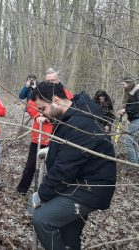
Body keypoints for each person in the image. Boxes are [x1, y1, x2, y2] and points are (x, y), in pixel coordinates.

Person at [30, 81, 116, 250]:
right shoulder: (71, 114)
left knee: (42, 219)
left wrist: (41, 195)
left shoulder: (80, 123)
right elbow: (71, 152)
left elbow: (64, 169)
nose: (43, 114)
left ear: (55, 99)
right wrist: (51, 151)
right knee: (68, 234)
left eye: (42, 108)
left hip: (88, 188)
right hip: (77, 182)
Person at [17, 82, 73, 194]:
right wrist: (38, 115)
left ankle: (46, 191)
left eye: (53, 79)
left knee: (51, 166)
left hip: (52, 137)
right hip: (37, 135)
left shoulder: (63, 95)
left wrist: (47, 118)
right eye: (49, 79)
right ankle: (22, 189)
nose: (51, 80)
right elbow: (31, 105)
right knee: (31, 164)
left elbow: (66, 106)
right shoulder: (40, 94)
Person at [117, 76, 139, 163]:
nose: (122, 86)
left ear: (129, 83)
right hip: (134, 119)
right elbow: (132, 104)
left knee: (128, 141)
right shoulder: (131, 92)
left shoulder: (137, 91)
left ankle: (132, 163)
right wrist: (124, 109)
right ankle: (136, 163)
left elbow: (137, 105)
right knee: (134, 142)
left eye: (123, 84)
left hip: (137, 119)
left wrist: (125, 110)